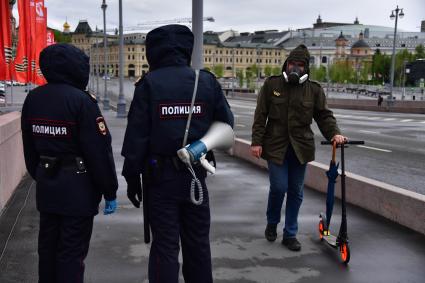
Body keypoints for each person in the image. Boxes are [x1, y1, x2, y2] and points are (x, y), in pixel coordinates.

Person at [121, 25, 234, 283]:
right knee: (198, 245)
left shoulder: (149, 84)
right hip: (196, 176)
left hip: (159, 180)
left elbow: (137, 138)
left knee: (165, 246)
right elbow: (226, 123)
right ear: (187, 48)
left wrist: (131, 179)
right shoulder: (205, 81)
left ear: (154, 51)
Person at [21, 43, 118, 283]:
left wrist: (41, 175)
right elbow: (98, 152)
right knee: (71, 253)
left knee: (47, 251)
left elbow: (29, 148)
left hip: (47, 186)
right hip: (78, 189)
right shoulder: (82, 102)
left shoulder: (33, 98)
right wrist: (110, 190)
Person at [251, 44, 346, 252]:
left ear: (306, 68)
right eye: (292, 63)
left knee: (296, 191)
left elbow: (324, 116)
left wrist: (334, 134)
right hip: (275, 145)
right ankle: (272, 222)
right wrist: (256, 142)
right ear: (286, 64)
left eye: (300, 65)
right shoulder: (272, 85)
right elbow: (260, 116)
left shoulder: (314, 90)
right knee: (278, 187)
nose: (295, 67)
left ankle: (290, 233)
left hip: (300, 148)